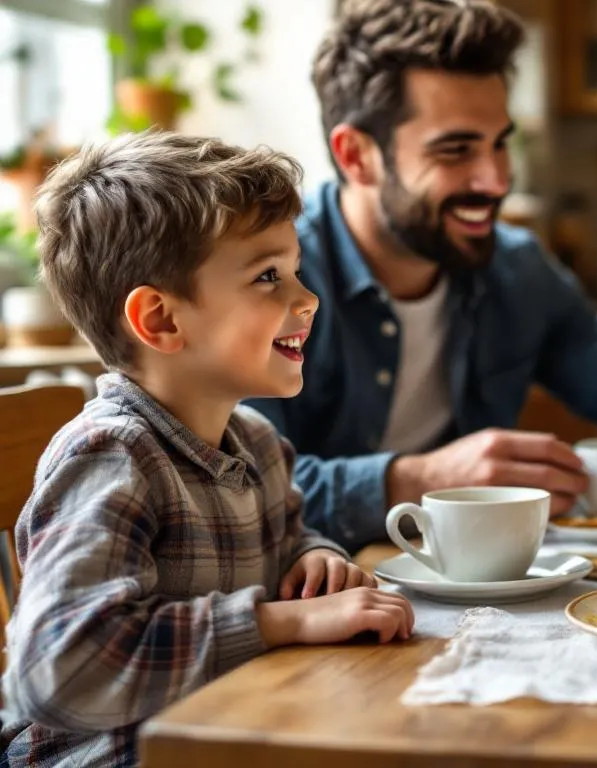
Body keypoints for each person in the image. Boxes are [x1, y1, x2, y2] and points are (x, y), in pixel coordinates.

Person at [245, 0, 597, 552]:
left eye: (500, 143)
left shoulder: (516, 268)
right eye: (456, 150)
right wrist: (419, 479)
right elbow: (234, 491)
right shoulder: (264, 282)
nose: (496, 180)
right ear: (357, 156)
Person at [1, 132, 415, 767]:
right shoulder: (112, 456)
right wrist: (285, 622)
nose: (307, 300)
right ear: (162, 320)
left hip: (236, 728)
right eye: (268, 277)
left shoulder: (255, 441)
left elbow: (291, 542)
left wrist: (318, 562)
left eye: (296, 272)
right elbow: (58, 667)